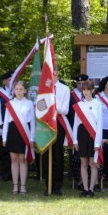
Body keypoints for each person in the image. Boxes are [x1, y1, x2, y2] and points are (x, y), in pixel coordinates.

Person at [2, 81, 35, 194]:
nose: (19, 91)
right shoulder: (10, 103)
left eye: (21, 89)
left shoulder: (29, 103)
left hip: (24, 133)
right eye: (17, 89)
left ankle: (23, 186)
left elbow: (33, 123)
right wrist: (4, 138)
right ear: (14, 91)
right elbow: (6, 121)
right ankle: (15, 185)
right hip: (12, 132)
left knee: (23, 159)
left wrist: (32, 138)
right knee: (14, 159)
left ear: (25, 91)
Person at [42, 68, 70, 196]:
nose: (52, 74)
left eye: (54, 71)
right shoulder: (43, 88)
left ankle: (58, 186)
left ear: (57, 72)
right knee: (46, 155)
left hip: (58, 122)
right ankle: (48, 185)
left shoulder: (65, 89)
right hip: (45, 123)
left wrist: (54, 108)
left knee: (58, 155)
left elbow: (65, 110)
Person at [72, 80, 102, 197]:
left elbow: (99, 124)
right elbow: (75, 124)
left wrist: (97, 142)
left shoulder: (97, 104)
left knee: (93, 164)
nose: (86, 92)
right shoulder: (79, 105)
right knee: (83, 163)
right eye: (84, 89)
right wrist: (75, 140)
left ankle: (91, 189)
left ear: (92, 90)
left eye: (88, 89)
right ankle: (85, 188)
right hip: (82, 135)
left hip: (94, 136)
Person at [0, 71, 14, 181]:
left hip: (16, 126)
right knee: (4, 151)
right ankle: (4, 174)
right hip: (3, 125)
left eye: (13, 80)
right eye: (10, 80)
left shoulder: (18, 92)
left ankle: (15, 174)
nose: (12, 82)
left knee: (15, 150)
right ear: (4, 81)